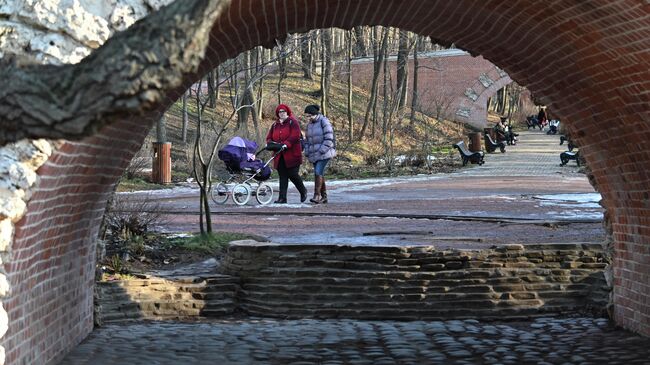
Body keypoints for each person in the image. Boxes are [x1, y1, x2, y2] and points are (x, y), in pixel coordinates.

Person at [266, 104, 307, 204]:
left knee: (293, 174)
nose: (282, 113)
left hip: (292, 154)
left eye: (283, 111)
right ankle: (282, 198)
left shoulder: (293, 122)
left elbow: (294, 136)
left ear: (287, 112)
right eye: (280, 112)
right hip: (279, 155)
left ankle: (303, 190)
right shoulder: (275, 125)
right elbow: (269, 137)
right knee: (283, 176)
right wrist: (270, 143)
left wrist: (286, 144)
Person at [303, 104, 336, 204]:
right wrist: (307, 151)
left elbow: (329, 138)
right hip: (314, 154)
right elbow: (307, 140)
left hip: (324, 153)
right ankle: (324, 196)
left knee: (318, 172)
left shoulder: (324, 121)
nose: (308, 118)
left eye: (310, 116)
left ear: (315, 114)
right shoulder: (309, 125)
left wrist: (321, 150)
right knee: (320, 173)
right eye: (307, 116)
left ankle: (316, 195)